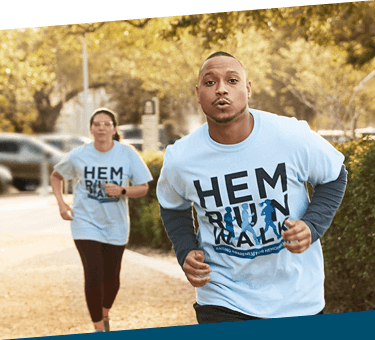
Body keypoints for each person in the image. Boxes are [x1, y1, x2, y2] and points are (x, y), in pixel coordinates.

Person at [156, 52, 347, 323]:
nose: (221, 88)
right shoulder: (181, 158)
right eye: (210, 83)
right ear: (198, 94)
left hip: (296, 297)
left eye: (232, 80)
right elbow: (172, 206)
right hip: (222, 295)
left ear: (247, 89)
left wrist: (313, 224)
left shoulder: (289, 136)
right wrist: (186, 249)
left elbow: (334, 175)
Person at [51, 108, 153, 332]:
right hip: (85, 223)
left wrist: (122, 191)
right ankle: (99, 327)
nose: (101, 128)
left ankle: (104, 314)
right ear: (90, 129)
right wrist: (61, 203)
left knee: (112, 279)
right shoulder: (80, 154)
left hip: (116, 224)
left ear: (114, 129)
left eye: (107, 124)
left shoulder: (126, 154)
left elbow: (143, 187)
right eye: (97, 124)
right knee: (94, 272)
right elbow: (56, 175)